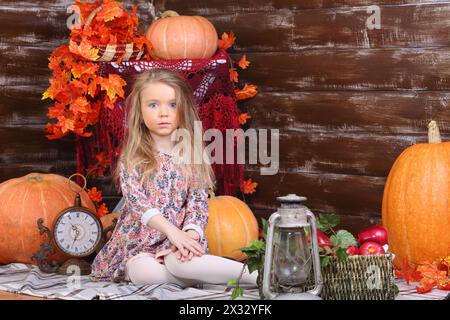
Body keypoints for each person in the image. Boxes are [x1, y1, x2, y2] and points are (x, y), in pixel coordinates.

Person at [90, 69, 257, 288]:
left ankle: (257, 277)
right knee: (145, 273)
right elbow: (138, 204)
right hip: (139, 242)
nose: (163, 113)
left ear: (183, 110)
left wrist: (190, 235)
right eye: (153, 105)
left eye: (172, 104)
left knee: (180, 262)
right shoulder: (134, 157)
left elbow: (197, 203)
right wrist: (172, 232)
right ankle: (198, 278)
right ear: (139, 112)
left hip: (178, 240)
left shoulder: (191, 155)